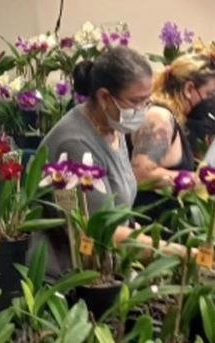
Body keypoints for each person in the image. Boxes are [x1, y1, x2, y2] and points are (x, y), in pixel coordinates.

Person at [32, 46, 184, 277]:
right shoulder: (75, 144)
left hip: (103, 268)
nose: (143, 110)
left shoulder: (113, 127)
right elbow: (100, 233)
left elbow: (117, 211)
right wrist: (178, 253)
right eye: (137, 101)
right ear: (104, 97)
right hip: (67, 277)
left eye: (147, 101)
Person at [131, 53, 215, 224]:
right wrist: (200, 181)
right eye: (208, 93)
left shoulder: (171, 116)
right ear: (189, 89)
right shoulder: (159, 118)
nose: (210, 101)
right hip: (147, 227)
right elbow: (142, 174)